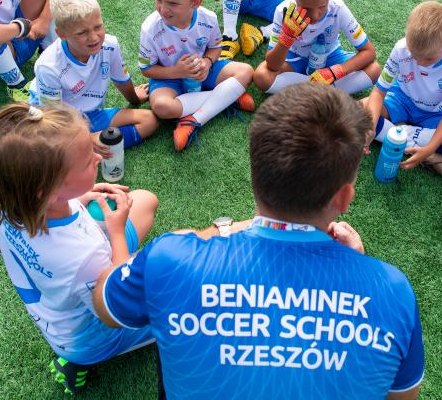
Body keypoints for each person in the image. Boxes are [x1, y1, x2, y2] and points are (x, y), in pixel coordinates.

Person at [94, 83, 424, 399]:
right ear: (344, 198)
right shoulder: (392, 291)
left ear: (255, 174)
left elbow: (105, 306)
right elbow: (402, 396)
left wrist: (210, 233)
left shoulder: (171, 257)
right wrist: (358, 270)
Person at [0, 103, 159, 394]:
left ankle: (76, 356)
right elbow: (116, 310)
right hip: (93, 337)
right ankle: (78, 362)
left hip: (56, 315)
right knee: (175, 283)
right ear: (48, 192)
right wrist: (116, 233)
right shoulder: (84, 254)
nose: (98, 158)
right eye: (88, 161)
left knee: (145, 201)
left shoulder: (4, 202)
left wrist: (76, 198)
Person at [139, 0, 255, 151]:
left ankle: (194, 119)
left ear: (196, 2)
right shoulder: (150, 28)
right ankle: (227, 96)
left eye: (173, 3)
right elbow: (146, 69)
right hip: (168, 77)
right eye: (158, 0)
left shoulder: (208, 19)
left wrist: (207, 62)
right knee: (161, 106)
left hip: (203, 72)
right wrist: (177, 72)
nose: (163, 9)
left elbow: (216, 48)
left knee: (246, 71)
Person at [29, 0, 157, 155]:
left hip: (91, 115)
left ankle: (89, 147)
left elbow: (121, 79)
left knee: (149, 120)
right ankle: (87, 145)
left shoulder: (110, 45)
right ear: (62, 34)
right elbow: (52, 118)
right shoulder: (48, 66)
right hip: (59, 122)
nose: (94, 37)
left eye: (98, 27)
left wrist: (135, 99)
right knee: (47, 147)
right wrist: (87, 138)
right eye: (82, 33)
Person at [362, 1, 442, 177]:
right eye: (414, 54)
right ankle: (413, 144)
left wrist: (429, 148)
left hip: (436, 114)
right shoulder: (401, 48)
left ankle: (397, 133)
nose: (420, 63)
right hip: (401, 101)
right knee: (359, 110)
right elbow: (379, 91)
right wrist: (370, 126)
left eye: (428, 58)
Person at [253, 0, 381, 95]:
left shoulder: (338, 8)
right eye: (306, 8)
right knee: (261, 76)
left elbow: (369, 52)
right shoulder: (283, 11)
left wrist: (336, 71)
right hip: (295, 60)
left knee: (374, 69)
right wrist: (286, 39)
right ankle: (325, 93)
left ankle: (307, 93)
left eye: (322, 7)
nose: (315, 15)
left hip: (330, 57)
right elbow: (272, 65)